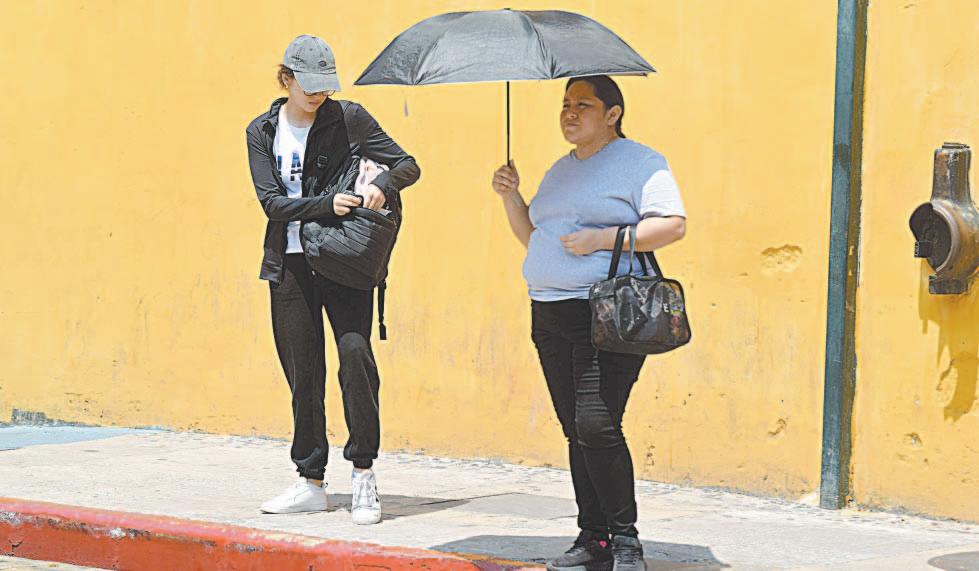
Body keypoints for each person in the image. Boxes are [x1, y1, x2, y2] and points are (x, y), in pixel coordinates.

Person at [491, 75, 686, 571]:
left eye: (583, 105)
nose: (570, 113)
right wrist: (511, 196)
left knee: (597, 425)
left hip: (605, 315)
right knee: (575, 429)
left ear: (613, 114)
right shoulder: (560, 169)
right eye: (565, 105)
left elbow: (672, 225)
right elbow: (535, 235)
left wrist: (603, 239)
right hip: (548, 312)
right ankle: (593, 537)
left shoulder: (640, 162)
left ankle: (626, 540)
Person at [245, 34, 420, 525]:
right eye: (309, 86)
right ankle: (310, 481)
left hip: (343, 259)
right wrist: (327, 204)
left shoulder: (349, 118)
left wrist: (382, 184)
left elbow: (408, 165)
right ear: (286, 78)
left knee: (355, 357)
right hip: (289, 264)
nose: (318, 94)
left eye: (325, 86)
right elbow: (272, 204)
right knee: (303, 373)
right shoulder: (261, 131)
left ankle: (363, 473)